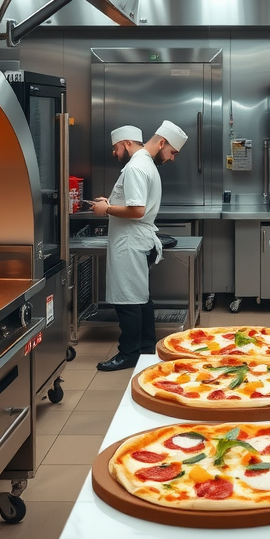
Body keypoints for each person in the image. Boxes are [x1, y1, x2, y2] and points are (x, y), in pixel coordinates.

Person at [91, 119, 188, 370]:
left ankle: (129, 353)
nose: (114, 153)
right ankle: (146, 347)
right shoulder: (145, 165)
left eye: (116, 148)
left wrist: (107, 208)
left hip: (131, 242)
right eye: (173, 153)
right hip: (136, 240)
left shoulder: (136, 167)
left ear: (125, 144)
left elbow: (136, 210)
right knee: (141, 298)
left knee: (128, 299)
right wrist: (110, 202)